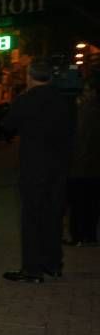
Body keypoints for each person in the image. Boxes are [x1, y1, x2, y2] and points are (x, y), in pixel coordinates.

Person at [2, 60, 75, 283]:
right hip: (60, 167)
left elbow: (7, 125)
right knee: (54, 216)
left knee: (32, 217)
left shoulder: (26, 100)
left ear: (30, 76)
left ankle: (32, 270)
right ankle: (53, 264)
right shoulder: (66, 101)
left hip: (34, 168)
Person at [65, 81, 100, 246]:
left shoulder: (81, 112)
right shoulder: (91, 110)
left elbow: (76, 140)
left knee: (78, 204)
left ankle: (78, 236)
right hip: (93, 168)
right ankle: (90, 235)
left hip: (79, 167)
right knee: (92, 204)